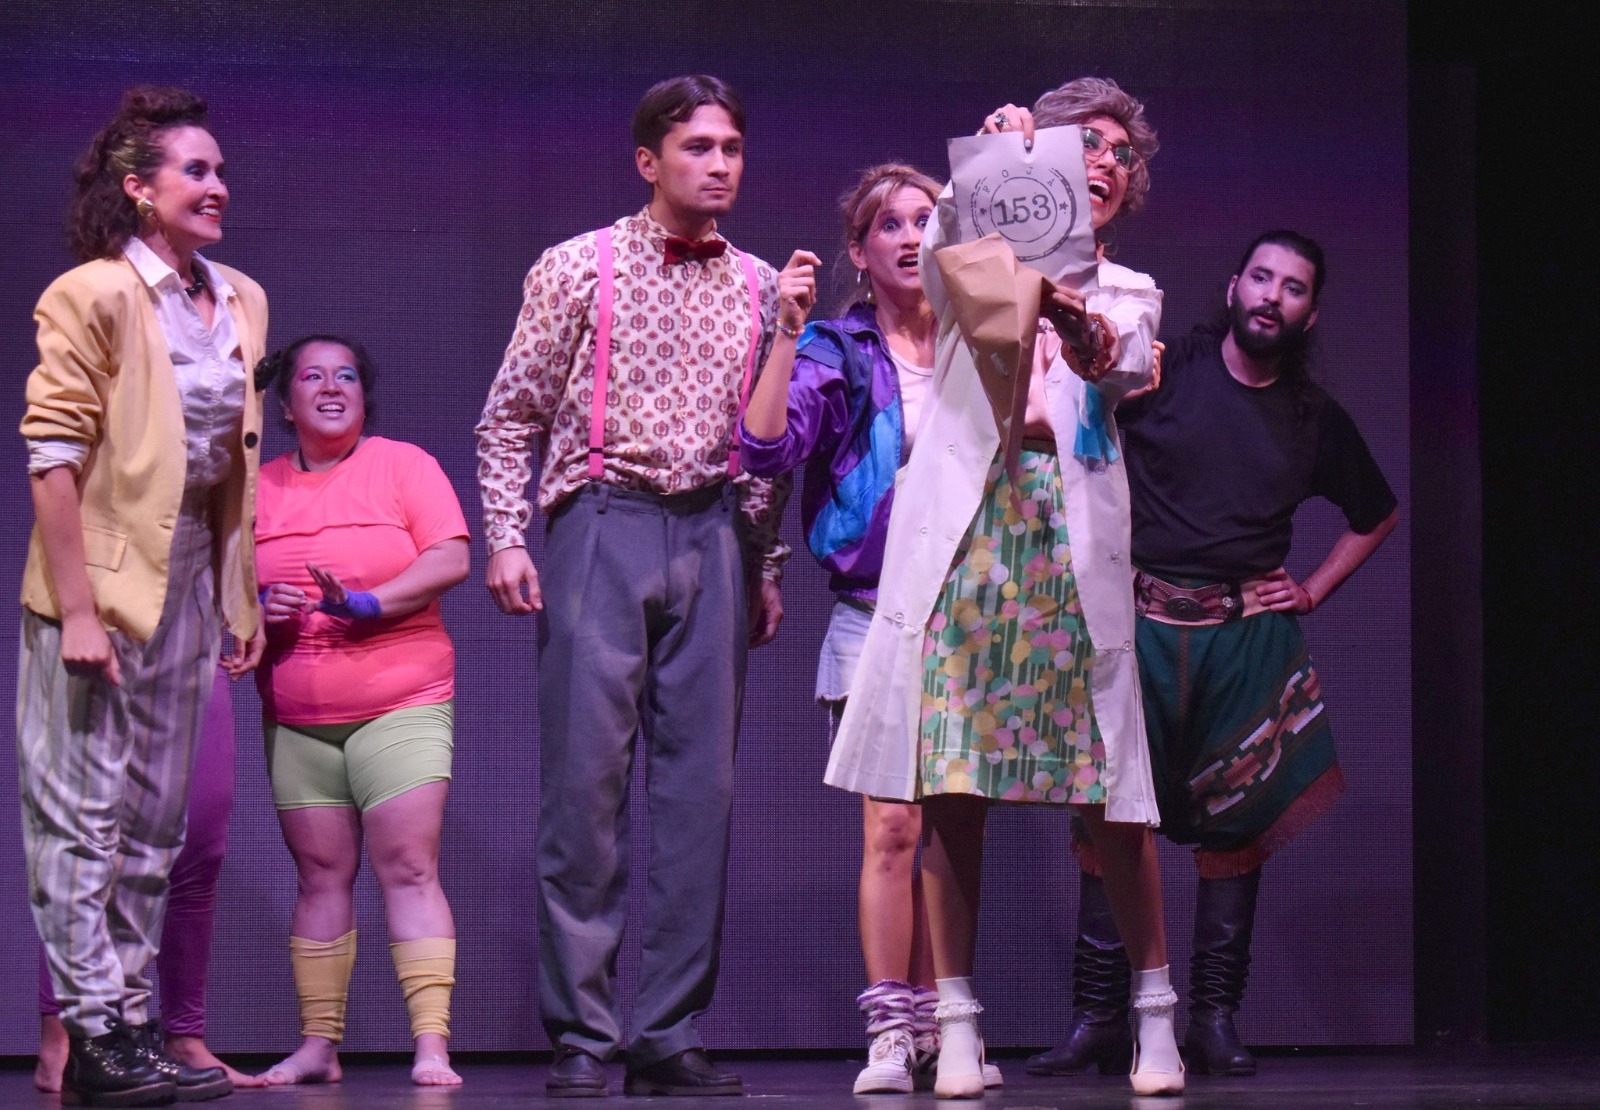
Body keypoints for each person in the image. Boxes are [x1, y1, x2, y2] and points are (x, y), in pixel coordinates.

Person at [824, 77, 1185, 1099]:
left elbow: (1118, 365)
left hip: (1064, 536)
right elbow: (944, 261)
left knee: (1111, 795)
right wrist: (982, 174)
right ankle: (955, 1028)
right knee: (953, 787)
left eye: (1119, 151)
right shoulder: (974, 259)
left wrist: (1068, 308)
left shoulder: (1129, 290)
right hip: (970, 538)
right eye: (1085, 145)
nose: (1104, 161)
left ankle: (1155, 1017)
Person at [476, 74, 801, 1098]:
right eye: (698, 147)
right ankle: (582, 1032)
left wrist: (763, 562)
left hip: (714, 532)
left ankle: (667, 1030)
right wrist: (506, 536)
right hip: (602, 523)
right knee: (586, 791)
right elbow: (512, 413)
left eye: (732, 148)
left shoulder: (762, 284)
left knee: (701, 795)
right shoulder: (581, 265)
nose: (719, 165)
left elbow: (768, 443)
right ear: (648, 161)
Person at [1028, 231, 1398, 1078]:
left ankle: (1215, 1018)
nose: (1272, 296)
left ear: (1310, 313)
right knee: (1111, 817)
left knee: (1237, 827)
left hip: (1243, 644)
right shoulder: (1168, 372)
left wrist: (1312, 589)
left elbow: (1376, 512)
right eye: (1261, 278)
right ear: (1234, 287)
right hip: (1140, 628)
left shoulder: (1311, 417)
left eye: (1293, 287)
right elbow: (1082, 432)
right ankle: (1097, 1018)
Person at [17, 84, 266, 1108]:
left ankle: (127, 1028)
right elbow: (53, 459)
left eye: (220, 170)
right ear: (138, 187)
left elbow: (227, 466)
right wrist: (77, 610)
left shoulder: (240, 297)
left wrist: (237, 596)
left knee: (156, 829)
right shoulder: (92, 293)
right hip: (101, 588)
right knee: (83, 817)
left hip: (191, 588)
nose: (217, 185)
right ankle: (92, 1032)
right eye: (195, 170)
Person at [740, 162, 1005, 1095]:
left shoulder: (984, 339)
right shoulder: (838, 349)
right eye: (888, 223)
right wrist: (783, 331)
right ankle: (892, 1029)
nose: (909, 235)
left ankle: (948, 1027)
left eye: (925, 218)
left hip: (971, 616)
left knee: (953, 835)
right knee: (893, 826)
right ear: (859, 249)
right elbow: (766, 447)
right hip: (874, 615)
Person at [252, 335, 471, 1088]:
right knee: (319, 875)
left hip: (400, 698)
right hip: (298, 712)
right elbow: (219, 588)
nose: (331, 386)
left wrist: (369, 603)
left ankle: (431, 1046)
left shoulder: (403, 466)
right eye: (312, 377)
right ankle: (319, 1045)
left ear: (363, 396)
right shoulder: (258, 488)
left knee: (409, 867)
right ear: (286, 404)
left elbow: (449, 557)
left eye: (346, 376)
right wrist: (259, 604)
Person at [35, 664, 263, 1093]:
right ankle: (64, 1040)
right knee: (88, 851)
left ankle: (184, 1038)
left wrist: (249, 621)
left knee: (197, 850)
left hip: (194, 651)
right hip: (112, 649)